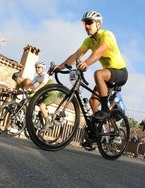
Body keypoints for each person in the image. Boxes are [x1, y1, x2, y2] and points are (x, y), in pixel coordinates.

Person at [53, 10, 128, 149]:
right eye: (84, 23)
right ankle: (99, 133)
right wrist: (60, 66)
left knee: (98, 74)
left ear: (98, 24)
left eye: (89, 23)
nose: (86, 26)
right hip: (107, 77)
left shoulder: (107, 35)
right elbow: (76, 54)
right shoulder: (88, 40)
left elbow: (99, 51)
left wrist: (86, 63)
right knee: (93, 102)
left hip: (120, 72)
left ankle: (106, 110)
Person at [26, 60, 56, 131]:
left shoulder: (46, 75)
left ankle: (48, 123)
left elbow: (42, 84)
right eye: (36, 67)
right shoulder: (37, 77)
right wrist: (22, 90)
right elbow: (30, 84)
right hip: (44, 94)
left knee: (42, 105)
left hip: (52, 94)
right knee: (32, 101)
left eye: (39, 67)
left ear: (43, 68)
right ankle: (39, 116)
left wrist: (34, 90)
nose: (37, 69)